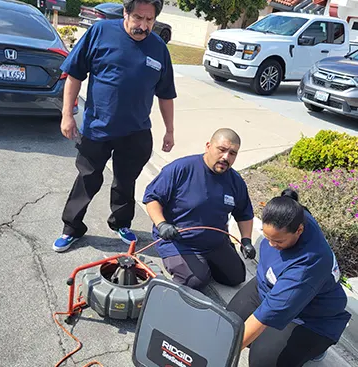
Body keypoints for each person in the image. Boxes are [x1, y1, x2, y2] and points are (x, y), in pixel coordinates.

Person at [53, 0, 177, 252]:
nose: (143, 25)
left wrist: (170, 130)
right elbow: (75, 74)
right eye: (138, 18)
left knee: (125, 180)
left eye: (149, 20)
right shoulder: (101, 32)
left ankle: (121, 223)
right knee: (87, 178)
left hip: (136, 130)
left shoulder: (159, 48)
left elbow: (165, 93)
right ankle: (71, 227)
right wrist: (67, 114)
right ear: (125, 12)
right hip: (98, 127)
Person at [226, 188, 351, 367]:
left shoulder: (310, 262)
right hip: (269, 286)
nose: (271, 244)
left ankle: (312, 349)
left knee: (263, 361)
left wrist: (222, 355)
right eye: (267, 236)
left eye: (278, 242)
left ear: (299, 230)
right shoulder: (295, 215)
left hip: (309, 316)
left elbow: (266, 314)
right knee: (228, 326)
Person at [142, 128, 255, 290]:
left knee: (236, 277)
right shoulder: (181, 169)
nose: (226, 157)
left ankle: (206, 262)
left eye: (232, 153)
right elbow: (152, 199)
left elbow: (244, 213)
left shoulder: (235, 181)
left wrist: (246, 241)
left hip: (215, 242)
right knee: (195, 281)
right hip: (179, 241)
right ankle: (186, 267)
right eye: (222, 150)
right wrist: (161, 224)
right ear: (208, 146)